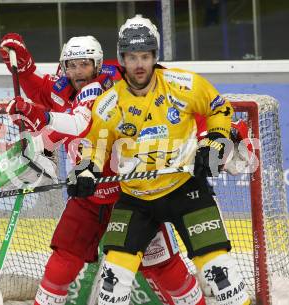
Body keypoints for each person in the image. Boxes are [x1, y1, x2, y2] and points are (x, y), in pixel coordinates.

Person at [0, 34, 206, 305]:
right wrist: (25, 69)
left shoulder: (106, 86)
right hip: (89, 194)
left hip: (131, 195)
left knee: (162, 267)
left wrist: (40, 117)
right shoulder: (65, 85)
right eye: (71, 65)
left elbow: (79, 123)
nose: (77, 72)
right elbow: (42, 92)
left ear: (97, 65)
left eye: (83, 64)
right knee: (63, 261)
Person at [68, 15, 251, 305]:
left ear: (155, 56)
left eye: (145, 56)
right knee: (113, 278)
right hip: (135, 197)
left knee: (218, 270)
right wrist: (85, 171)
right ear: (122, 59)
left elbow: (219, 107)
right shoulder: (109, 103)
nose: (139, 64)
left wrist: (214, 141)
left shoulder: (183, 84)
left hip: (185, 187)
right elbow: (94, 145)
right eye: (131, 57)